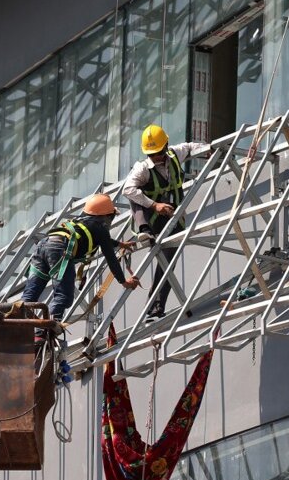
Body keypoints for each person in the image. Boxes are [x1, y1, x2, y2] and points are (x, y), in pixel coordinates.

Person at [121, 124, 208, 321]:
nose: (156, 157)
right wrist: (153, 205)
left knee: (168, 263)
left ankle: (155, 308)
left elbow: (188, 147)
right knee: (134, 196)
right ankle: (144, 229)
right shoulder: (142, 168)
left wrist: (208, 150)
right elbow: (127, 189)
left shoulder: (174, 155)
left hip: (173, 217)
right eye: (152, 154)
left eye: (159, 153)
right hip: (152, 219)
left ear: (165, 146)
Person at [22, 193, 140, 335]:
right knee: (63, 297)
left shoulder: (82, 222)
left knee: (29, 298)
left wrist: (120, 244)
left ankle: (14, 327)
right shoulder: (100, 228)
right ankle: (45, 333)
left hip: (43, 246)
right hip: (60, 251)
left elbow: (103, 241)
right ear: (106, 216)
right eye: (111, 217)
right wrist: (124, 282)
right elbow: (111, 258)